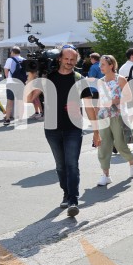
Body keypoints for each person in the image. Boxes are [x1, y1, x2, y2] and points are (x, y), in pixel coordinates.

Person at [27, 45, 95, 216]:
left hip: (73, 128)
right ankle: (66, 193)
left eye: (73, 59)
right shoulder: (48, 77)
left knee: (72, 164)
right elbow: (29, 98)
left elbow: (89, 106)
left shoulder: (79, 79)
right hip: (52, 129)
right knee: (60, 166)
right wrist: (32, 74)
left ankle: (73, 200)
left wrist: (97, 131)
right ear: (59, 59)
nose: (69, 62)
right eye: (66, 59)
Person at [93, 55, 133, 185]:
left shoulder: (120, 79)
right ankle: (105, 175)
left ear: (111, 65)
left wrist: (113, 101)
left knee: (120, 144)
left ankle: (132, 161)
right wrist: (95, 117)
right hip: (102, 116)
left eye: (103, 65)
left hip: (117, 116)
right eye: (100, 64)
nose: (100, 67)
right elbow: (98, 101)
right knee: (103, 146)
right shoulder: (99, 81)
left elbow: (129, 97)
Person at [2, 46, 26, 125]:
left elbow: (6, 69)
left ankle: (7, 119)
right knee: (20, 102)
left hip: (11, 83)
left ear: (13, 52)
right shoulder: (24, 60)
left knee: (9, 101)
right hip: (21, 83)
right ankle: (20, 119)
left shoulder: (10, 59)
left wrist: (7, 78)